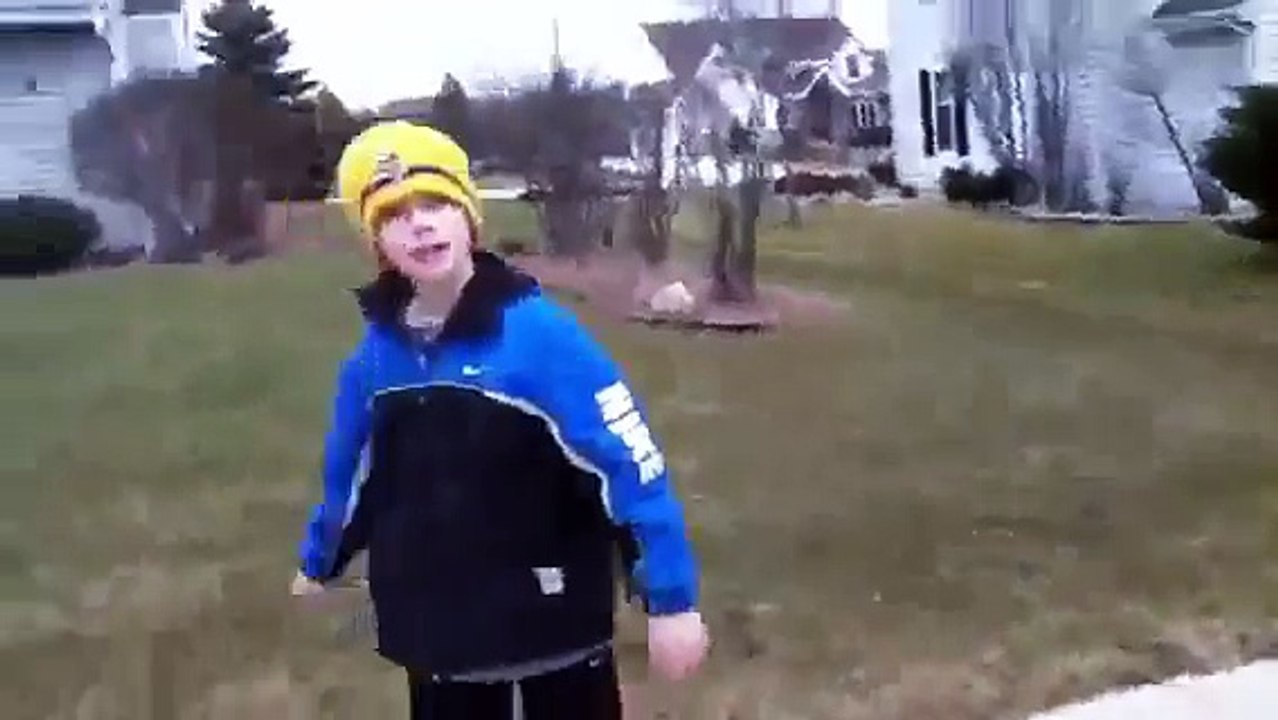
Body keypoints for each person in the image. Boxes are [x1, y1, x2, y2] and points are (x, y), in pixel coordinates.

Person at [291, 120, 709, 719]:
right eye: (393, 213)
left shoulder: (541, 340)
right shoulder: (377, 358)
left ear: (469, 218)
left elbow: (630, 467)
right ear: (376, 240)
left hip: (549, 641)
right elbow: (351, 475)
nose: (420, 222)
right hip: (434, 643)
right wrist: (319, 561)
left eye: (436, 203)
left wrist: (671, 600)